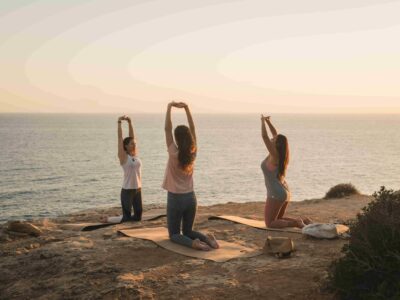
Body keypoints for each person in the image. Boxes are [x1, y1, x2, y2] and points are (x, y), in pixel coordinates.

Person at [163, 101, 219, 251]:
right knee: (188, 231)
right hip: (191, 198)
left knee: (174, 234)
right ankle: (209, 239)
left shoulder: (173, 152)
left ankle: (194, 244)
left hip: (175, 198)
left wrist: (169, 107)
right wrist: (187, 109)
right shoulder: (193, 152)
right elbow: (193, 128)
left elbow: (167, 129)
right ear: (189, 138)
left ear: (177, 138)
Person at [260, 115, 311, 228]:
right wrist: (268, 122)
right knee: (278, 219)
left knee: (270, 224)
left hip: (276, 193)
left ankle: (296, 223)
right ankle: (304, 221)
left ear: (277, 144)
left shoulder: (275, 155)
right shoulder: (278, 155)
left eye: (274, 140)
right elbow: (274, 134)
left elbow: (264, 136)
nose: (272, 139)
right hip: (283, 191)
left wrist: (262, 121)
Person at [117, 115, 142, 222]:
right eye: (132, 144)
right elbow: (120, 139)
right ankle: (112, 219)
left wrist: (130, 122)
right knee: (126, 218)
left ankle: (113, 219)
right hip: (127, 190)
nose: (134, 145)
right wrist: (119, 123)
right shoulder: (123, 156)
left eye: (135, 144)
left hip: (138, 189)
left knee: (138, 217)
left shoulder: (134, 155)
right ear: (126, 146)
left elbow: (132, 137)